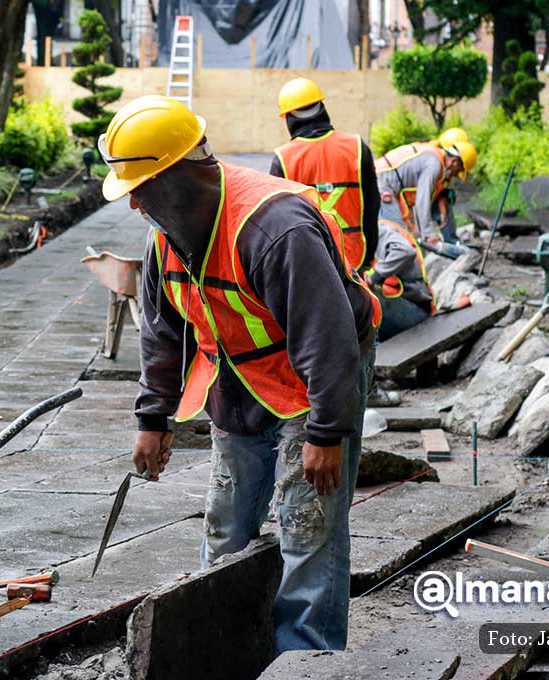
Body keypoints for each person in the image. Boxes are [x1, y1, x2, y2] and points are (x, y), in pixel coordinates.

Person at [101, 95, 381, 652]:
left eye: (143, 187)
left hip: (314, 385)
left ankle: (305, 660)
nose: (134, 205)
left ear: (183, 174)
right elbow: (162, 333)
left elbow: (328, 342)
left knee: (308, 527)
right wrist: (152, 418)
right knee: (226, 524)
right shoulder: (167, 237)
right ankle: (223, 652)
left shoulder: (274, 229)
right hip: (238, 384)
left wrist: (328, 433)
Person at [270, 77, 380, 271]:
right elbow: (372, 205)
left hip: (311, 263)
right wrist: (369, 256)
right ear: (322, 107)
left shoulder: (284, 159)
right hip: (355, 259)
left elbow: (278, 223)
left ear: (288, 117)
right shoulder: (357, 147)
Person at [375, 140, 477, 244]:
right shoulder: (434, 165)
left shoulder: (434, 158)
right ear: (454, 162)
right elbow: (422, 200)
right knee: (398, 239)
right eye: (459, 170)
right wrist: (429, 233)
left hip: (384, 181)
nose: (456, 175)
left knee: (402, 239)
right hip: (381, 183)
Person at [366, 219, 436, 340]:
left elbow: (405, 251)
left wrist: (373, 279)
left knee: (361, 295)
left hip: (416, 311)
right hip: (402, 308)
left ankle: (376, 353)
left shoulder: (377, 232)